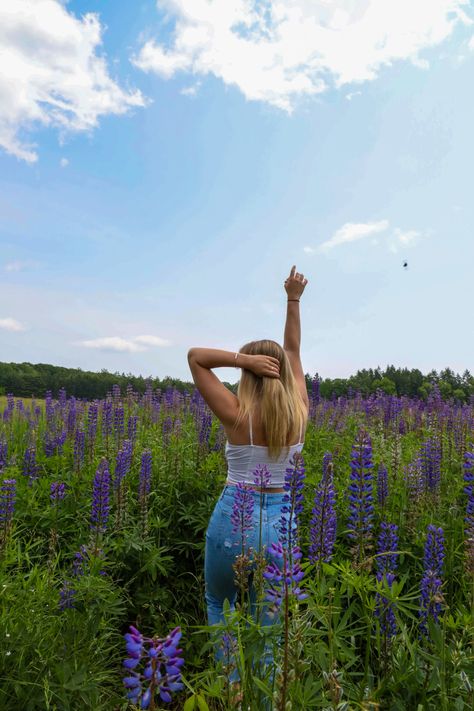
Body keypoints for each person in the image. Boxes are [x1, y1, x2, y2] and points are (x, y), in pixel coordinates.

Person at [187, 265, 309, 707]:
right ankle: (261, 701)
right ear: (282, 377)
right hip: (280, 529)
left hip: (229, 524)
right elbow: (293, 350)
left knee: (220, 606)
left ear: (251, 377)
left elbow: (195, 357)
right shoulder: (299, 414)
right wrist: (293, 300)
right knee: (269, 632)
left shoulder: (237, 416)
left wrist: (242, 360)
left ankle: (231, 692)